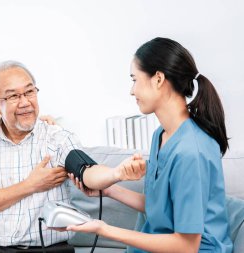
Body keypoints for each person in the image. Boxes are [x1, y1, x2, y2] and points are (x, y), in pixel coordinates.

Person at [0, 60, 146, 253]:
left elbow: (87, 171)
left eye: (30, 92)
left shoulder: (57, 138)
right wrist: (30, 185)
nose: (25, 102)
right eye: (13, 96)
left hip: (48, 249)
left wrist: (116, 173)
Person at [67, 37, 233, 252]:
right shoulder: (161, 135)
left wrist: (104, 230)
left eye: (134, 79)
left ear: (158, 79)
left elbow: (187, 246)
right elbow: (161, 210)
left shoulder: (192, 151)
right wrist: (109, 191)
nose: (131, 90)